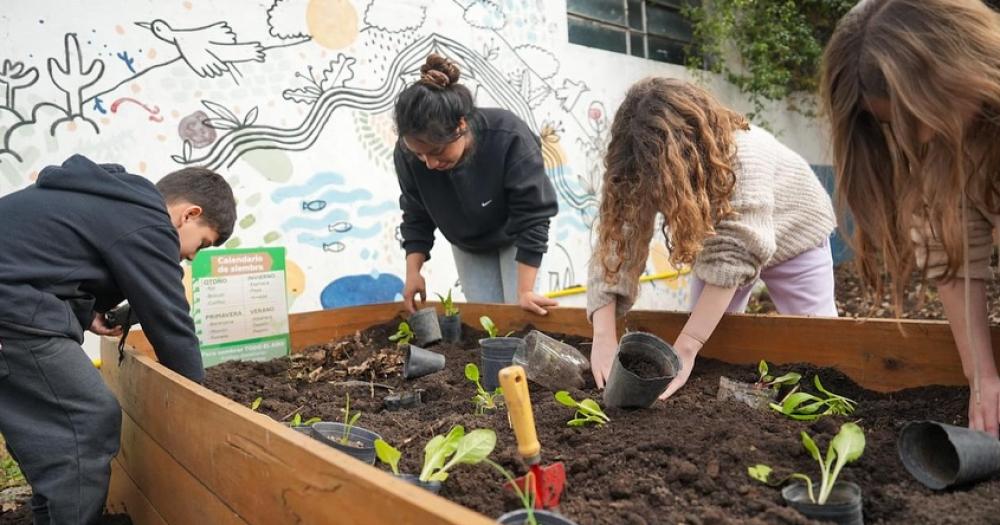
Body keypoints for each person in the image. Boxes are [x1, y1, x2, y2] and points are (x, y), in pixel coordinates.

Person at [0, 154, 235, 524]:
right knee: (88, 420)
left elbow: (43, 262)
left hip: (13, 303)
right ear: (189, 214)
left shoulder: (111, 201)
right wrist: (197, 397)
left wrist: (85, 314)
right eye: (202, 244)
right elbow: (170, 317)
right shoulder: (148, 221)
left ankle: (56, 515)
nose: (190, 256)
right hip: (12, 312)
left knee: (47, 428)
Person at [588, 78, 837, 398]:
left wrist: (686, 347)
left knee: (821, 348)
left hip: (796, 232)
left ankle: (827, 405)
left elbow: (737, 252)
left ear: (686, 153)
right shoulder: (643, 162)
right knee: (712, 345)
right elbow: (617, 235)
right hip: (723, 241)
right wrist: (603, 335)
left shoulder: (746, 153)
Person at [821, 0, 1000, 437]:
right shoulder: (952, 138)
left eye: (918, 113)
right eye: (895, 122)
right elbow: (951, 245)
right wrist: (982, 378)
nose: (920, 136)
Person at [393, 54, 560, 315]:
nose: (429, 164)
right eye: (419, 154)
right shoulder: (409, 153)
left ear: (461, 124)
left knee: (520, 315)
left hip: (517, 235)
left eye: (437, 151)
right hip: (468, 242)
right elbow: (416, 212)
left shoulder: (508, 137)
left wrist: (525, 291)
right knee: (487, 319)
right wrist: (413, 272)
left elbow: (533, 215)